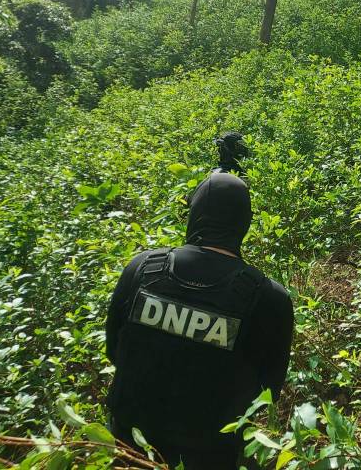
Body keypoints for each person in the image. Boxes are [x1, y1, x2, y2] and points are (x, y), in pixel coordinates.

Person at [105, 173, 293, 469]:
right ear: (244, 223)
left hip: (128, 450)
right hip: (212, 457)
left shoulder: (142, 268)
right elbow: (268, 390)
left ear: (194, 214)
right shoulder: (270, 298)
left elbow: (114, 350)